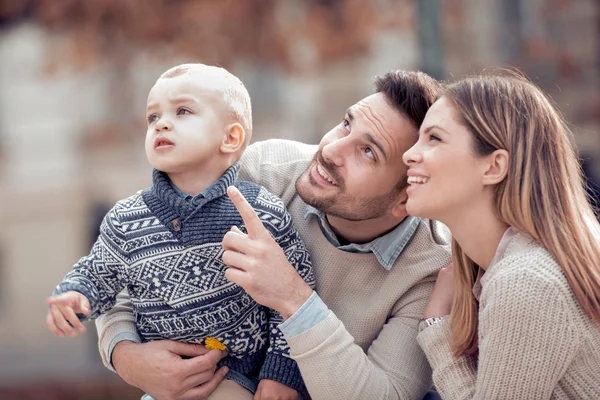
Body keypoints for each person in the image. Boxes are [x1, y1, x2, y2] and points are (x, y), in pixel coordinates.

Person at [96, 70, 452, 400]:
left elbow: (385, 394)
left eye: (368, 152)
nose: (329, 150)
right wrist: (125, 355)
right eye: (346, 125)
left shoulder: (430, 270)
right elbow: (131, 259)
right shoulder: (258, 172)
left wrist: (294, 298)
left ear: (405, 200)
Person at [46, 63, 315, 400]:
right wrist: (77, 295)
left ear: (230, 138)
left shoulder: (259, 211)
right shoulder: (126, 219)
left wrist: (281, 374)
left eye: (183, 111)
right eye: (152, 117)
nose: (163, 123)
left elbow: (292, 299)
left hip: (242, 377)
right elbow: (100, 272)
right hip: (164, 385)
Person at [403, 73, 600, 399]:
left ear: (493, 167)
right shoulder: (510, 269)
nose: (409, 154)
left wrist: (436, 327)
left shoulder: (525, 281)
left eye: (434, 138)